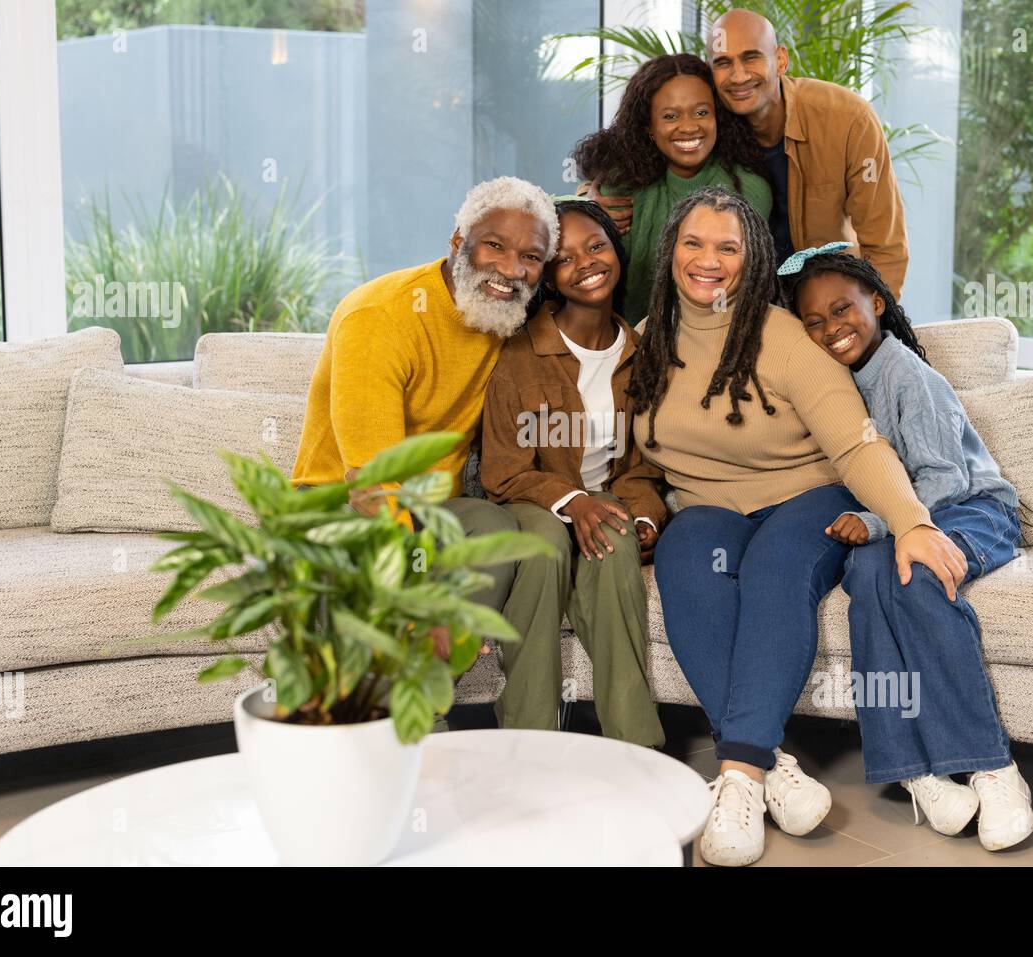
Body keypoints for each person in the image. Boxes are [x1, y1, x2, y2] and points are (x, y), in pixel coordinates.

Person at [630, 186, 963, 866]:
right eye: (694, 242)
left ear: (751, 260)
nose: (709, 260)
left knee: (776, 567)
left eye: (729, 247)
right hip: (706, 506)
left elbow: (857, 443)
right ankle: (768, 762)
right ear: (670, 253)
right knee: (685, 560)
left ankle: (739, 776)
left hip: (808, 494)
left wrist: (913, 521)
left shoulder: (780, 336)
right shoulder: (644, 342)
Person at [780, 245, 1033, 851]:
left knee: (916, 576)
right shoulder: (832, 381)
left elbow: (942, 482)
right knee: (867, 579)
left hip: (974, 511)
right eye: (812, 322)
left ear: (878, 301)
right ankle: (915, 773)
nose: (829, 329)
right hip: (906, 519)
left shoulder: (907, 375)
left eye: (841, 310)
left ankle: (992, 765)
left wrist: (871, 524)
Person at [292, 176, 570, 727]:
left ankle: (523, 735)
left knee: (498, 528)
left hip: (437, 506)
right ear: (456, 242)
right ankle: (417, 728)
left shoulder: (505, 319)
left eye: (531, 257)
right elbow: (372, 485)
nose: (511, 270)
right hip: (341, 504)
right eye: (495, 245)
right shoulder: (381, 317)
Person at [480, 200, 667, 744]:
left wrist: (645, 519)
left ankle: (636, 746)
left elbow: (641, 468)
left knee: (613, 540)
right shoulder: (520, 351)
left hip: (605, 497)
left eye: (596, 246)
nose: (585, 262)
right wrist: (572, 500)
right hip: (531, 502)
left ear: (616, 251)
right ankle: (529, 738)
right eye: (564, 258)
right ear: (549, 277)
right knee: (541, 546)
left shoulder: (641, 352)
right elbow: (504, 470)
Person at [597, 9, 910, 299]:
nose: (739, 76)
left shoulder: (845, 119)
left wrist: (875, 320)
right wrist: (593, 204)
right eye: (723, 63)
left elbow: (884, 245)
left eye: (751, 57)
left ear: (781, 60)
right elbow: (631, 147)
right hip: (743, 308)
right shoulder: (707, 124)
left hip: (823, 302)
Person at [572, 53, 771, 325]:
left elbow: (746, 284)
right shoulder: (620, 185)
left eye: (701, 112)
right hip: (630, 340)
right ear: (649, 128)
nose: (689, 127)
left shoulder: (748, 189)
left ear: (718, 118)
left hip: (718, 337)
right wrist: (588, 210)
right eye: (670, 116)